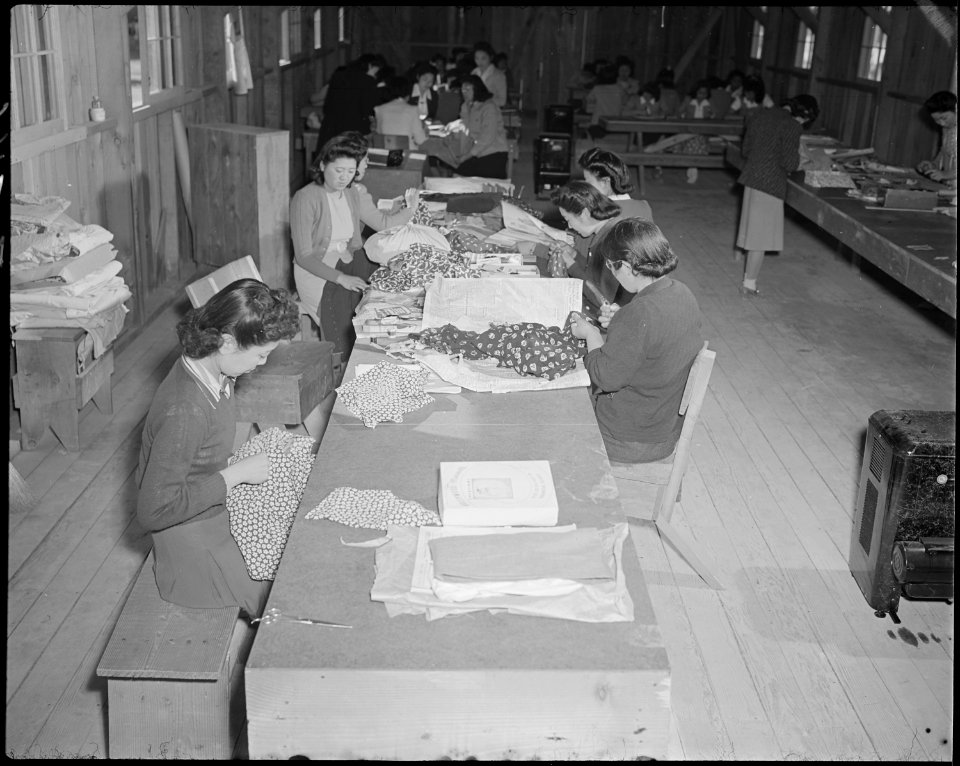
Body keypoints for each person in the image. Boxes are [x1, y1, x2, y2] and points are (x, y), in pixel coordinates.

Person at [137, 279, 301, 617]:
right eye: (260, 355)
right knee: (282, 598)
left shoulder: (209, 369)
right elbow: (153, 511)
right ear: (226, 342)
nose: (261, 364)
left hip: (209, 509)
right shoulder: (185, 410)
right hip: (193, 544)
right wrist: (235, 474)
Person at [569, 219, 704, 465]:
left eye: (612, 266)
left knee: (559, 411)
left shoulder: (639, 314)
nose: (611, 272)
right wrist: (622, 319)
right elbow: (655, 334)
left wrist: (591, 334)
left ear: (629, 265)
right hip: (662, 426)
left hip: (629, 440)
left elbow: (604, 378)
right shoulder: (681, 292)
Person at [290, 138, 369, 357]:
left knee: (375, 294)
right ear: (323, 165)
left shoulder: (352, 192)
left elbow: (354, 241)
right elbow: (304, 256)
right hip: (315, 270)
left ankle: (364, 355)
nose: (344, 177)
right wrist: (340, 277)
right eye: (339, 170)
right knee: (343, 312)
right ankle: (342, 362)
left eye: (351, 171)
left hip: (344, 258)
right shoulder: (305, 198)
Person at [735, 94, 820, 296]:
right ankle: (749, 284)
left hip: (751, 178)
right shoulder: (792, 126)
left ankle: (745, 271)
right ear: (804, 115)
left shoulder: (760, 115)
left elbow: (746, 150)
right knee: (761, 238)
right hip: (770, 184)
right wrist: (807, 162)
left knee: (751, 230)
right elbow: (790, 164)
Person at [549, 181, 654, 313]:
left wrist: (571, 266)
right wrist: (574, 255)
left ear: (585, 214)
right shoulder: (609, 228)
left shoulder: (612, 242)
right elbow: (596, 274)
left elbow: (602, 300)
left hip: (612, 318)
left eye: (568, 219)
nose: (569, 226)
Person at [420, 74, 510, 179]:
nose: (464, 92)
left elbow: (487, 138)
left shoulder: (489, 107)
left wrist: (467, 156)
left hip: (493, 154)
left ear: (477, 89)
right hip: (477, 152)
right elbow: (467, 130)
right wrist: (451, 137)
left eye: (468, 89)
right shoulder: (466, 106)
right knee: (437, 151)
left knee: (458, 171)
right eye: (463, 89)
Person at [314, 53, 386, 154]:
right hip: (353, 131)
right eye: (376, 71)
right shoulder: (368, 81)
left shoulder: (338, 76)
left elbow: (327, 105)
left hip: (330, 129)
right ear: (370, 65)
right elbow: (368, 110)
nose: (375, 75)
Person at [675, 80, 716, 183]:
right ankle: (692, 169)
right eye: (700, 93)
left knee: (697, 143)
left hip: (702, 132)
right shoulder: (689, 100)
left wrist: (711, 114)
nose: (702, 95)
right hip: (688, 130)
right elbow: (679, 112)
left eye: (704, 93)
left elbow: (714, 116)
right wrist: (684, 117)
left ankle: (693, 170)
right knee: (691, 142)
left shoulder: (708, 103)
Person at [374, 76, 428, 149]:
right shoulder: (412, 110)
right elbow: (420, 140)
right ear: (408, 93)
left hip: (385, 154)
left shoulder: (379, 109)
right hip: (408, 155)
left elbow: (380, 135)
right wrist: (425, 131)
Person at [917, 90, 957, 186]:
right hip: (950, 186)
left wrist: (946, 174)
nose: (941, 123)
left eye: (944, 118)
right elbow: (944, 152)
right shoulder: (946, 129)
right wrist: (933, 165)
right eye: (936, 120)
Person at [471, 41, 508, 107]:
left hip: (491, 112)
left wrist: (483, 101)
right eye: (476, 58)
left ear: (491, 57)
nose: (479, 62)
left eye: (483, 58)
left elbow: (502, 101)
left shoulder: (498, 75)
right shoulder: (474, 72)